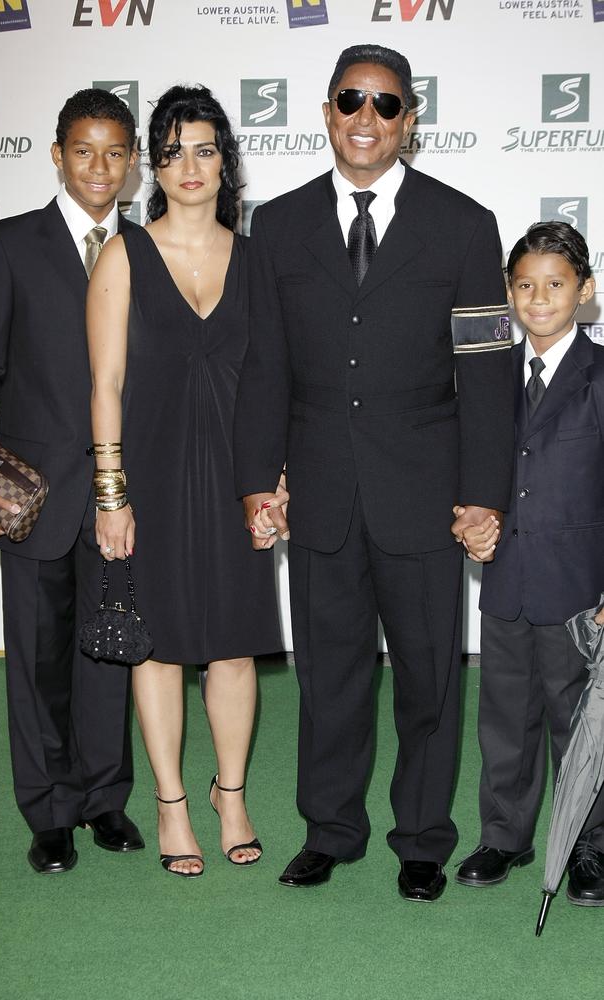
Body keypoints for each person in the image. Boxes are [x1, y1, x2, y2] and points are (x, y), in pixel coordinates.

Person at [233, 44, 515, 901]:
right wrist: (257, 477)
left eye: (386, 105)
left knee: (429, 680)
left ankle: (423, 839)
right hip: (319, 494)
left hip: (427, 497)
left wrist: (483, 497)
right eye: (351, 100)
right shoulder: (276, 226)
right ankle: (330, 829)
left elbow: (489, 378)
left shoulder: (466, 226)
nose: (367, 117)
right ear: (326, 113)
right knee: (328, 678)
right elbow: (264, 367)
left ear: (409, 123)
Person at [86, 85, 281, 878]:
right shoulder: (122, 253)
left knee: (233, 648)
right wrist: (111, 494)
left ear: (224, 160)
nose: (188, 167)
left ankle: (228, 794)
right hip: (153, 477)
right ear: (152, 168)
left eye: (204, 149)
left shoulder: (256, 255)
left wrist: (274, 480)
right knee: (157, 647)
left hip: (237, 479)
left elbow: (273, 379)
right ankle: (170, 801)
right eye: (171, 152)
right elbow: (104, 383)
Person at [0, 89, 144, 873]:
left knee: (109, 650)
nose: (99, 166)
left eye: (114, 152)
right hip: (30, 494)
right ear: (58, 153)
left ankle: (104, 800)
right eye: (83, 149)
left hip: (121, 495)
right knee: (36, 657)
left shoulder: (153, 249)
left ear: (132, 163)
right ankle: (49, 811)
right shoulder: (10, 245)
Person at [455, 221, 604, 905]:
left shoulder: (600, 376)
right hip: (506, 583)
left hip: (579, 589)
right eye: (524, 285)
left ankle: (588, 846)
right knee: (505, 720)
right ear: (508, 294)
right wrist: (467, 515)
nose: (538, 298)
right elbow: (471, 465)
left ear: (585, 291)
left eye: (555, 284)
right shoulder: (487, 374)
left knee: (583, 725)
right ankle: (504, 836)